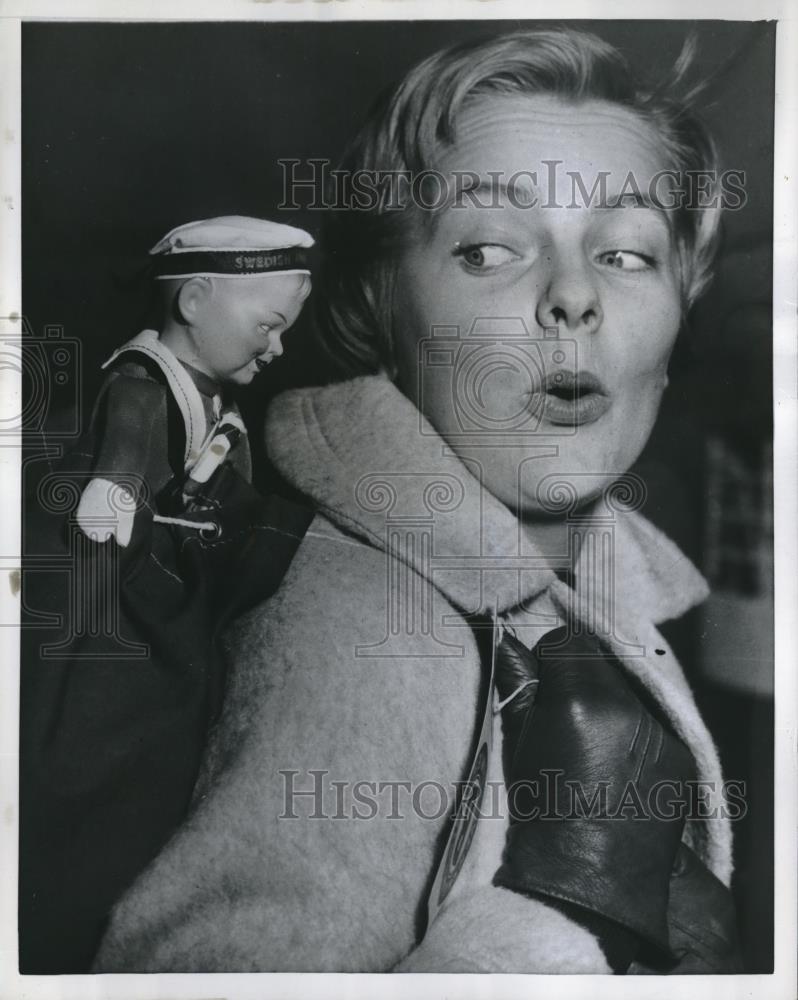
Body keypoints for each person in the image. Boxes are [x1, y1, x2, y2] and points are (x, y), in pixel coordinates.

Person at [93, 29, 740, 973]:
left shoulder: (598, 585)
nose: (571, 296)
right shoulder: (360, 627)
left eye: (629, 252)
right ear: (378, 311)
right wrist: (577, 907)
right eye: (487, 249)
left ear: (682, 309)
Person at [19, 217, 315, 972]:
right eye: (267, 326)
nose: (275, 347)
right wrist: (116, 488)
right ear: (195, 301)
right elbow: (126, 443)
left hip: (168, 598)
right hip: (117, 610)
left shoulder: (211, 401)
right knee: (106, 762)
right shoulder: (144, 384)